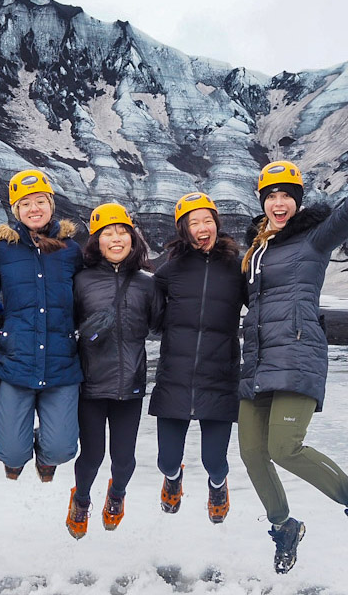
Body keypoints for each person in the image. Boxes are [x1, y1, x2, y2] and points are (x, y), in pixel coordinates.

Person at [238, 105, 348, 574]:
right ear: (262, 201)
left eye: (287, 195)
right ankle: (284, 525)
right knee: (251, 453)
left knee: (285, 448)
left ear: (298, 201)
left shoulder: (314, 240)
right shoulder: (257, 250)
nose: (279, 202)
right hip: (257, 362)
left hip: (298, 357)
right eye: (271, 195)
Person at [65, 203, 164, 539]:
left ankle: (117, 495)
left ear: (133, 238)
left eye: (123, 231)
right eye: (108, 233)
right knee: (91, 456)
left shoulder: (147, 283)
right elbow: (64, 327)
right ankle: (80, 499)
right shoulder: (80, 281)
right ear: (97, 241)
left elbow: (163, 324)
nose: (117, 238)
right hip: (90, 383)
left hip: (131, 382)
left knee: (124, 460)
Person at [148, 191, 247, 524]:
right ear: (184, 230)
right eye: (194, 222)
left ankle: (218, 487)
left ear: (217, 224)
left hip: (219, 378)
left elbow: (264, 304)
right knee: (166, 460)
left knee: (215, 462)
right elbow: (146, 307)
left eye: (207, 220)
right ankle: (173, 479)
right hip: (175, 375)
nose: (202, 227)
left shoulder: (238, 267)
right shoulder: (169, 270)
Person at [0, 169, 83, 482]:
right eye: (25, 203)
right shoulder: (3, 250)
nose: (33, 209)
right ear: (16, 210)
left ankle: (47, 455)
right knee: (12, 453)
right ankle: (17, 451)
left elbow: (88, 295)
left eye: (40, 201)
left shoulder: (71, 250)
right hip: (16, 361)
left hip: (62, 363)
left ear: (51, 204)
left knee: (61, 450)